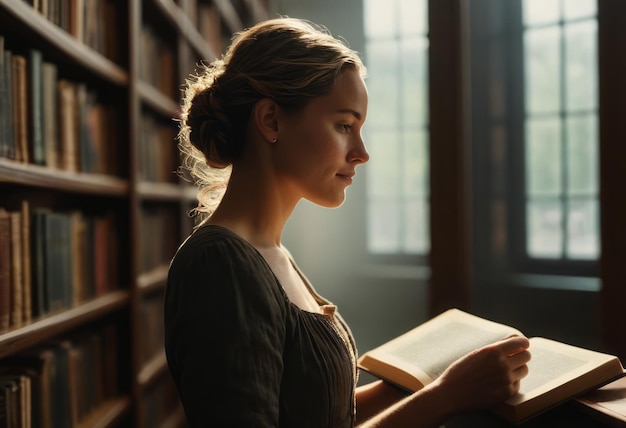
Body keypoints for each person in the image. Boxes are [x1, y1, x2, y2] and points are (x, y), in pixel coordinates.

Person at [164, 17, 531, 428]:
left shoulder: (270, 254)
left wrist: (425, 382)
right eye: (344, 126)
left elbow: (322, 414)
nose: (361, 152)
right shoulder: (220, 265)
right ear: (271, 121)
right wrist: (445, 399)